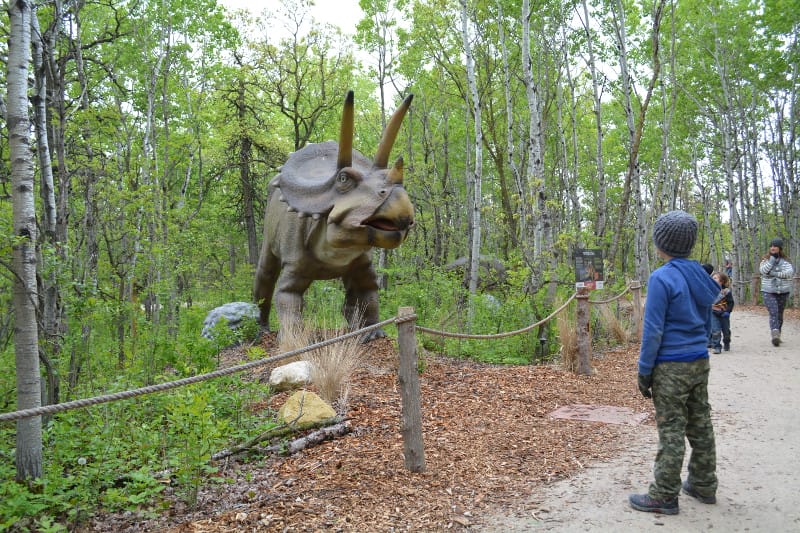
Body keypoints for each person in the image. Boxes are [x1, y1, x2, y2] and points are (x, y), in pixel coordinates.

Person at [630, 210, 721, 515]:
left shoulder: (662, 277)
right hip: (699, 361)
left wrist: (644, 371)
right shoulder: (701, 275)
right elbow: (707, 321)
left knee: (671, 428)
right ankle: (703, 483)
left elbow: (652, 329)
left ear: (661, 241)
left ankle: (664, 495)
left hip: (670, 365)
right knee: (700, 422)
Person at [759, 238, 794, 346]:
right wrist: (771, 261)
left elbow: (789, 273)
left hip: (783, 291)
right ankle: (774, 334)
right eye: (771, 246)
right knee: (773, 312)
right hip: (768, 290)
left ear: (780, 248)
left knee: (779, 314)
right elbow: (763, 271)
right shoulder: (765, 260)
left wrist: (774, 273)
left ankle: (778, 333)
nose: (773, 248)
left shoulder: (786, 262)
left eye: (775, 246)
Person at [710, 271, 734, 353]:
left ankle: (726, 342)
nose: (713, 279)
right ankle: (716, 346)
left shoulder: (726, 291)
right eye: (712, 278)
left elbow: (731, 302)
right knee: (715, 330)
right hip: (713, 313)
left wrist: (728, 311)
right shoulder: (709, 290)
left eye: (715, 278)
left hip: (724, 314)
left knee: (726, 331)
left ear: (722, 281)